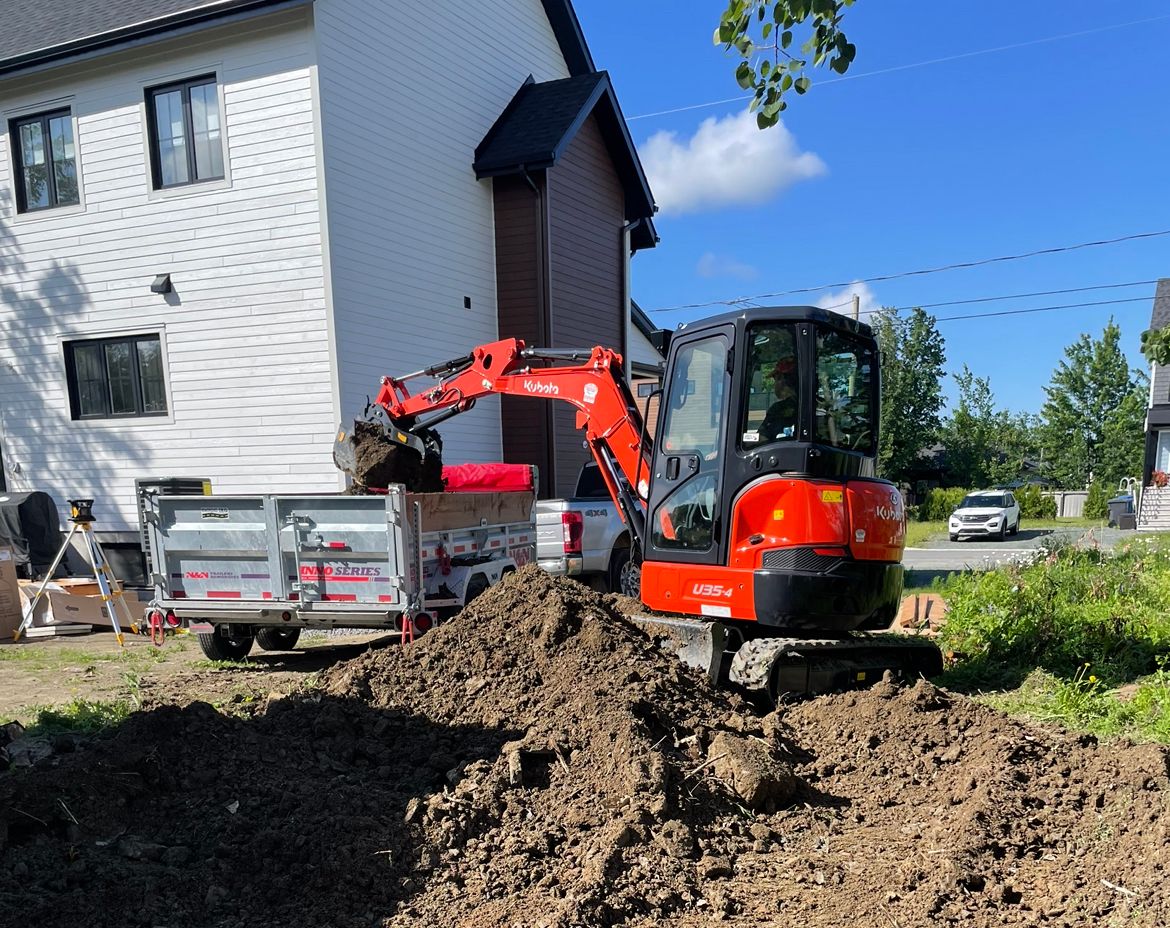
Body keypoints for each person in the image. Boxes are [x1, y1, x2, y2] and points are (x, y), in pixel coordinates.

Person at [759, 356, 798, 442]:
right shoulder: (817, 405)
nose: (774, 384)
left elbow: (762, 439)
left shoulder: (778, 409)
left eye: (775, 379)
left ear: (781, 379)